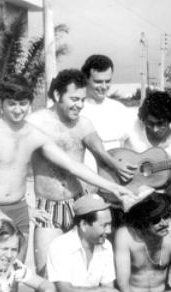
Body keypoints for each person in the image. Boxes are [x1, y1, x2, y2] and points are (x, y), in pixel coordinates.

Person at [0, 74, 135, 269]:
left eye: (23, 104)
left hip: (18, 209)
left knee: (12, 278)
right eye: (12, 104)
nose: (18, 110)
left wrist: (113, 187)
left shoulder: (33, 134)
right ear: (0, 103)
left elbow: (72, 165)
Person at [27, 69, 137, 276]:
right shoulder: (36, 122)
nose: (79, 105)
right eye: (74, 99)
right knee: (45, 272)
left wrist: (117, 180)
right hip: (47, 207)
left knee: (83, 270)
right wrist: (26, 206)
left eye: (83, 100)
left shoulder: (84, 124)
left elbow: (103, 156)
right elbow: (13, 165)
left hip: (79, 203)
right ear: (58, 95)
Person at [122, 91, 171, 228]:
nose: (155, 129)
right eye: (150, 123)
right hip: (136, 207)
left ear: (169, 119)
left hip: (167, 212)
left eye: (161, 123)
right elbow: (121, 159)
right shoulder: (134, 137)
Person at [80, 54, 137, 175]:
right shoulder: (77, 110)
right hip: (86, 182)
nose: (104, 87)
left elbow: (131, 146)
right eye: (98, 82)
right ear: (86, 79)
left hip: (117, 181)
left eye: (108, 81)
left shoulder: (120, 109)